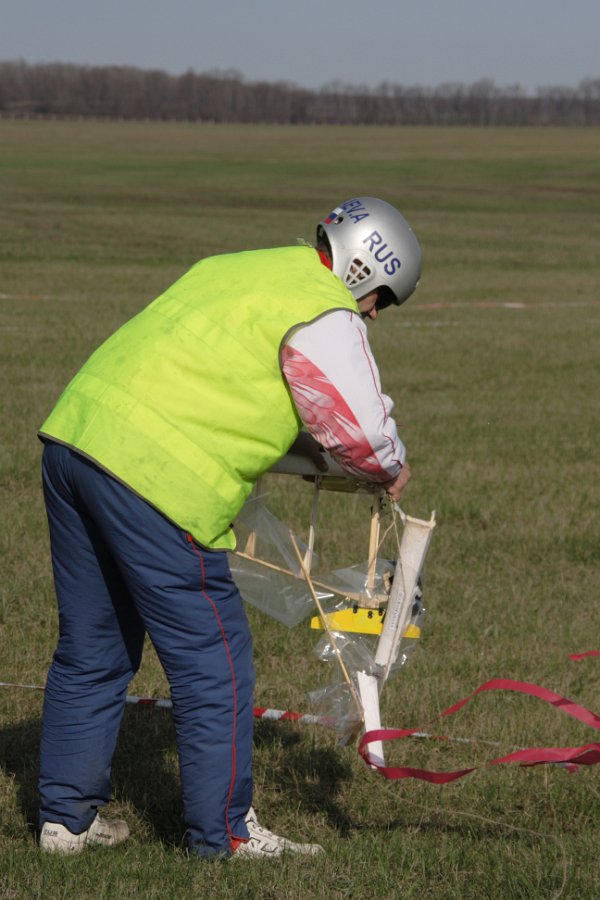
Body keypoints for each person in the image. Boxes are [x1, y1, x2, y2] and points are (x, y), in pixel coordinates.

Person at [37, 196, 422, 859]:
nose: (375, 314)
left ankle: (63, 823)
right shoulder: (323, 307)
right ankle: (227, 836)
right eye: (381, 297)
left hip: (74, 441)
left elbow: (215, 383)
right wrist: (389, 468)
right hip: (157, 478)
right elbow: (358, 428)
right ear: (365, 269)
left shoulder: (240, 267)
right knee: (216, 665)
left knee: (93, 650)